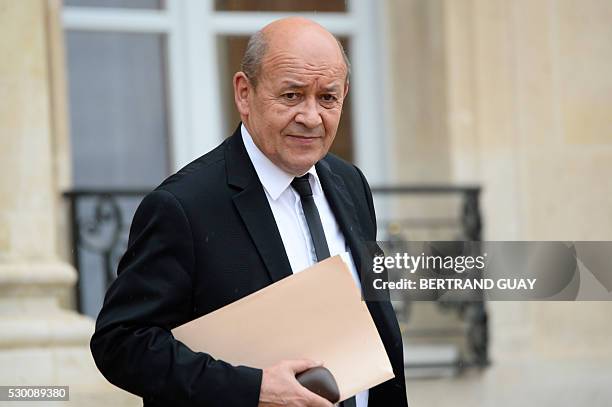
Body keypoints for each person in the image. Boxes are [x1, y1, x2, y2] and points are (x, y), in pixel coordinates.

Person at [91, 17, 408, 407]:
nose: (311, 117)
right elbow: (120, 343)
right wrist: (253, 389)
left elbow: (376, 321)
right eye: (291, 96)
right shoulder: (183, 207)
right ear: (244, 93)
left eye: (327, 98)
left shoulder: (350, 184)